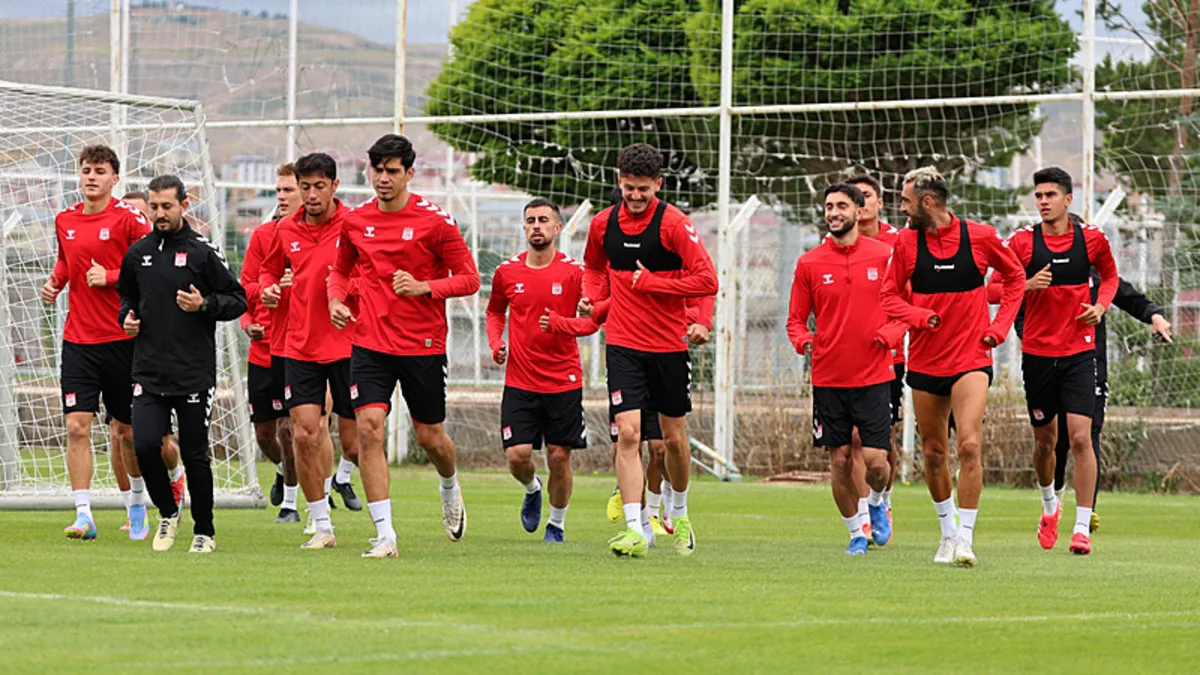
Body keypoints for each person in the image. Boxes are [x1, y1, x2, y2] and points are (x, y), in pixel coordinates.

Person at [328, 134, 480, 559]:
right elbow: (339, 273)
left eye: (392, 171)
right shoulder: (355, 222)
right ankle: (385, 535)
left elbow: (470, 279)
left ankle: (449, 485)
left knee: (430, 438)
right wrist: (336, 301)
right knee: (368, 429)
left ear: (409, 173)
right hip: (370, 343)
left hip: (422, 345)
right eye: (377, 170)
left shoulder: (436, 222)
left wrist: (424, 287)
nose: (383, 178)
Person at [880, 166, 1025, 567]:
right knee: (933, 452)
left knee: (970, 445)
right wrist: (918, 315)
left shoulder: (981, 236)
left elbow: (1015, 278)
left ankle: (966, 539)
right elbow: (889, 296)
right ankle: (947, 533)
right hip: (926, 360)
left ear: (928, 202)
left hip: (971, 358)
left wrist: (999, 328)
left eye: (907, 201)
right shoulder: (905, 243)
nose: (902, 208)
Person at [582, 142, 718, 558]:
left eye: (644, 189)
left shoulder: (673, 224)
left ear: (657, 184)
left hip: (668, 347)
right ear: (619, 182)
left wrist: (655, 284)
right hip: (623, 345)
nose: (636, 196)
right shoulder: (602, 225)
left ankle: (680, 511)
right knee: (628, 434)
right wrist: (592, 297)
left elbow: (707, 280)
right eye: (629, 188)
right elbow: (593, 267)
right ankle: (636, 528)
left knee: (672, 442)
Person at [987, 168, 1117, 556]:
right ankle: (1049, 506)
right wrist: (1025, 285)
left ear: (1068, 199)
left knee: (1080, 437)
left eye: (1050, 195)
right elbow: (992, 288)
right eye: (1039, 195)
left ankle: (1082, 528)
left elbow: (1111, 278)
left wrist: (1100, 306)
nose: (1043, 201)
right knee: (1045, 442)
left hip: (1080, 352)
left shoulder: (1091, 239)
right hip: (1039, 355)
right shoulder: (1022, 243)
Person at [116, 174, 247, 553]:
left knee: (194, 454)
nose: (159, 214)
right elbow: (127, 298)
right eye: (154, 207)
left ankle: (204, 531)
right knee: (143, 445)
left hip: (193, 374)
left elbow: (237, 299)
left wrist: (204, 304)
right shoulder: (137, 253)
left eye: (167, 207)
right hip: (148, 371)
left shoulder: (203, 252)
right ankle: (168, 513)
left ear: (183, 205)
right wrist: (127, 318)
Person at [40, 145, 159, 541]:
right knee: (77, 426)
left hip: (123, 339)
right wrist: (56, 281)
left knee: (127, 432)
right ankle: (83, 515)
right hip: (78, 340)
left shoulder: (130, 219)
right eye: (87, 170)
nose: (92, 177)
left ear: (115, 178)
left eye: (100, 171)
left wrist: (108, 276)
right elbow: (66, 260)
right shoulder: (65, 219)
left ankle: (137, 502)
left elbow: (149, 266)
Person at [788, 184, 906, 555]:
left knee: (877, 463)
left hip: (874, 376)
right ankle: (856, 533)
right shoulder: (809, 263)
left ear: (858, 210)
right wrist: (804, 341)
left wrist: (890, 335)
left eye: (842, 205)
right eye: (829, 206)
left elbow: (905, 307)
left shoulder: (884, 256)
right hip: (828, 378)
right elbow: (795, 320)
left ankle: (877, 501)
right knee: (839, 459)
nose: (834, 212)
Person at [260, 152, 361, 549]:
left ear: (335, 186)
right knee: (303, 434)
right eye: (306, 187)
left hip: (349, 344)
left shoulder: (354, 224)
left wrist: (346, 296)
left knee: (356, 443)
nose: (312, 194)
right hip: (300, 346)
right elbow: (268, 269)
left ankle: (361, 498)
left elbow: (372, 273)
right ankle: (321, 524)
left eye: (320, 186)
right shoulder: (285, 228)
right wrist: (269, 288)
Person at [486, 198, 593, 543]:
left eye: (543, 220)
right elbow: (494, 312)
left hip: (563, 380)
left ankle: (556, 524)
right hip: (520, 380)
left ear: (557, 228)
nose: (536, 226)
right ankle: (532, 488)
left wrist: (563, 323)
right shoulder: (507, 272)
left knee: (559, 457)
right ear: (524, 227)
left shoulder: (574, 273)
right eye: (531, 220)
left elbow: (591, 321)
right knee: (517, 456)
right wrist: (496, 342)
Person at [1052, 249, 1172, 532]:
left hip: (1091, 366)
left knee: (1088, 434)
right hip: (1052, 364)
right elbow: (1023, 310)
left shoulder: (1098, 276)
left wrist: (1155, 315)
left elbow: (1130, 297)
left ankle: (1086, 514)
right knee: (1058, 438)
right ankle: (1053, 498)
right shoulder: (1047, 273)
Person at [240, 164, 301, 522]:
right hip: (261, 352)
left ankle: (292, 503)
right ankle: (282, 471)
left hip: (297, 351)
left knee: (289, 430)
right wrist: (249, 322)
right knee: (265, 436)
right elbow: (245, 288)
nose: (281, 196)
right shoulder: (263, 236)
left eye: (288, 190)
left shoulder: (318, 238)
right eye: (278, 190)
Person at [844, 174, 904, 540]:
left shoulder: (898, 242)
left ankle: (883, 498)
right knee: (852, 439)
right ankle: (865, 515)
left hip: (888, 358)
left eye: (867, 196)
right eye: (855, 198)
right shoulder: (837, 242)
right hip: (846, 359)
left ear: (880, 202)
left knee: (881, 440)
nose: (861, 203)